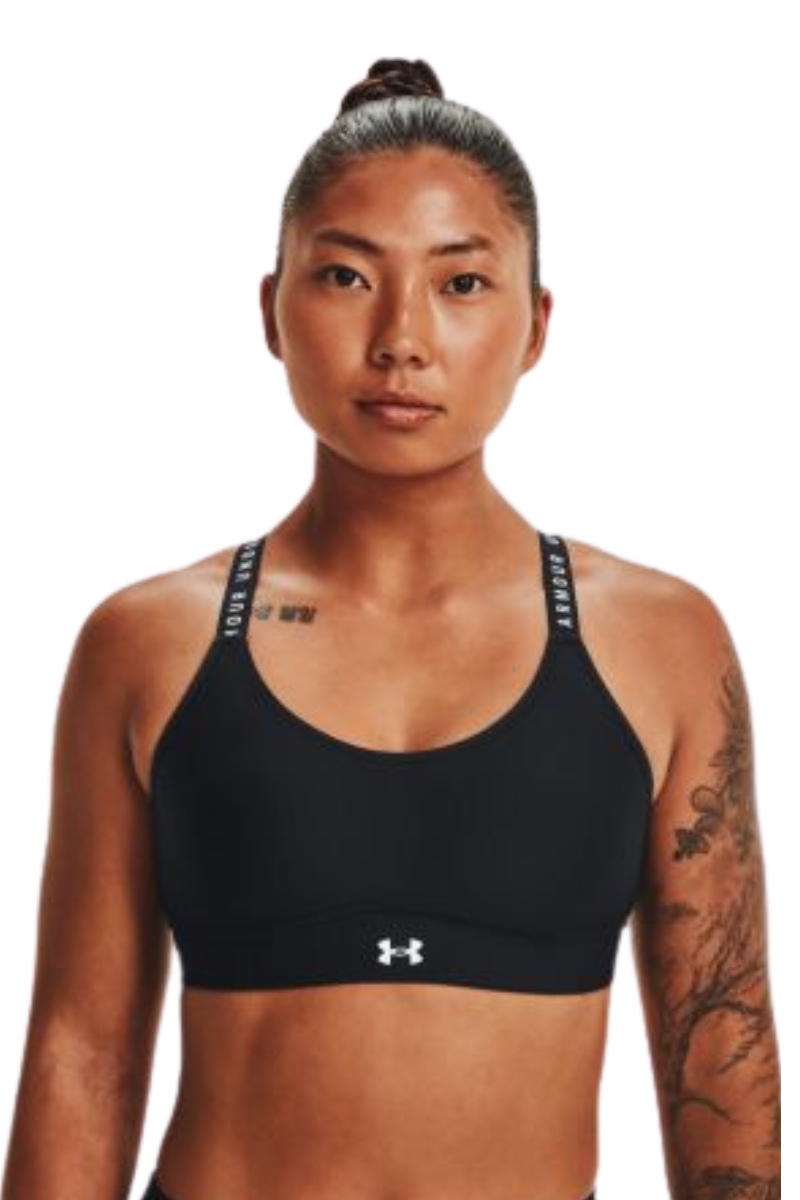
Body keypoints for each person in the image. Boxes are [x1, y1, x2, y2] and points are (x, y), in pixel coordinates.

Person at [2, 57, 780, 1200]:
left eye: (460, 283)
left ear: (534, 324)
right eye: (345, 276)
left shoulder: (657, 643)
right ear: (271, 310)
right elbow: (82, 1050)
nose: (401, 339)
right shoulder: (149, 645)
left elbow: (718, 1035)